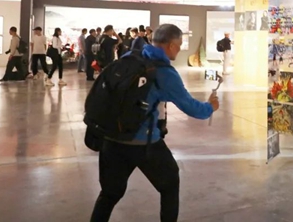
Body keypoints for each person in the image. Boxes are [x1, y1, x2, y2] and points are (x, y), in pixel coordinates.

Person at [89, 24, 219, 222]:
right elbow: (192, 108)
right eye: (179, 45)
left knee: (109, 194)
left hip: (111, 138)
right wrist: (210, 107)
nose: (179, 49)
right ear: (170, 45)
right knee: (170, 184)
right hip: (144, 142)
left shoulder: (129, 58)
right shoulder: (164, 73)